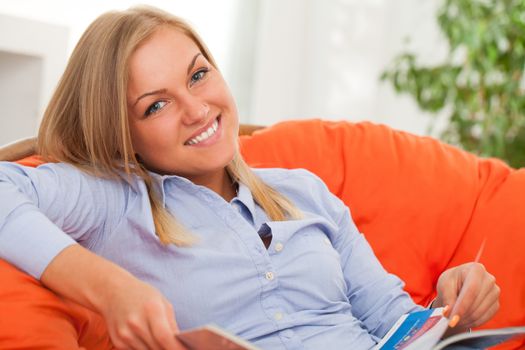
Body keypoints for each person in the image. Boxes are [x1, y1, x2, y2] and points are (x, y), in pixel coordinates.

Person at [0, 5, 499, 350]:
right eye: (156, 105)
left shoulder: (305, 191)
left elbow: (392, 320)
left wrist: (449, 308)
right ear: (121, 134)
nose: (197, 110)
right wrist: (110, 288)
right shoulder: (115, 201)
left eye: (198, 75)